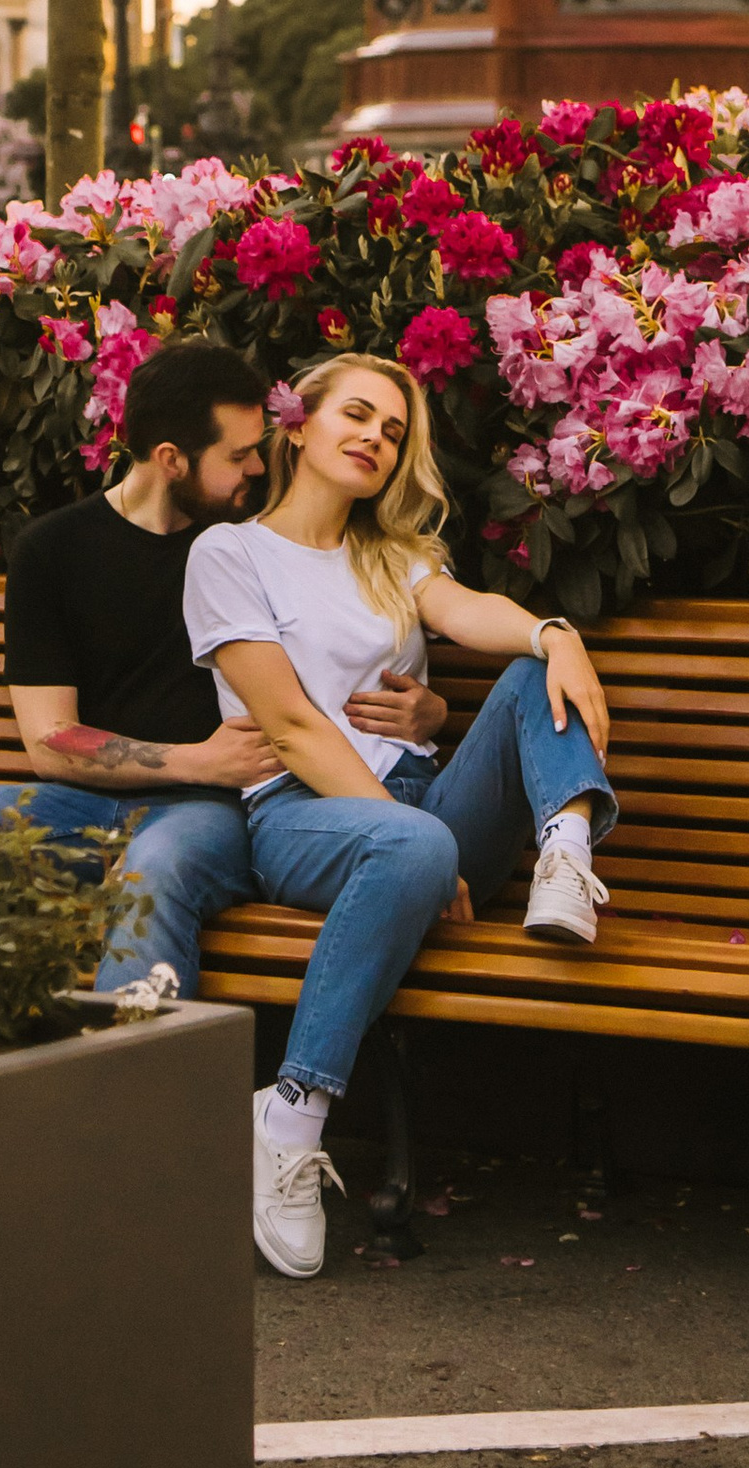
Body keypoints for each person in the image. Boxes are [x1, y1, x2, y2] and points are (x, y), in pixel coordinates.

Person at [184, 351, 618, 1279]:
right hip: (306, 819)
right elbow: (295, 726)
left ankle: (567, 851)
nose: (375, 437)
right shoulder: (229, 554)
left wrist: (556, 633)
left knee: (524, 672)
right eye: (356, 414)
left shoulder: (394, 555)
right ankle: (293, 1116)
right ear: (295, 424)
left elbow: (465, 610)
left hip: (420, 816)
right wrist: (415, 842)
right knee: (410, 841)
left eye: (392, 429)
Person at [0, 337, 444, 993]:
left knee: (155, 864)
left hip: (212, 816)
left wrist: (430, 707)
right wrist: (197, 758)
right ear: (172, 459)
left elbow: (349, 643)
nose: (260, 466)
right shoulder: (53, 550)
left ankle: (130, 1080)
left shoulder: (259, 542)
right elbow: (50, 737)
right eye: (238, 455)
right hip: (78, 805)